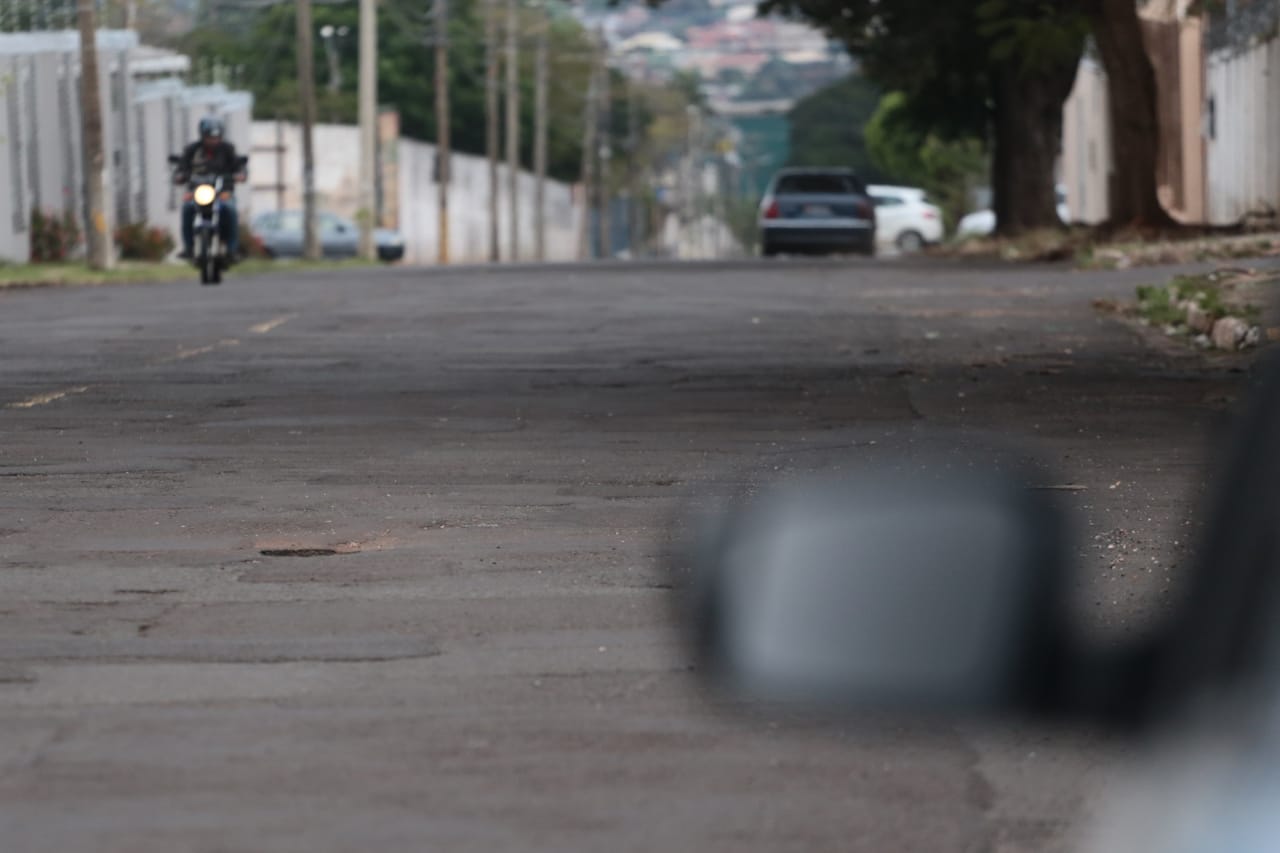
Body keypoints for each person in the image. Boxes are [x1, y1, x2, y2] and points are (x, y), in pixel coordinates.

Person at [174, 116, 245, 261]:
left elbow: (238, 166)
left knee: (230, 209)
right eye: (209, 137)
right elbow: (181, 167)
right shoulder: (192, 150)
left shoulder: (227, 149)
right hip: (197, 192)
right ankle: (189, 247)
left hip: (222, 192)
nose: (213, 140)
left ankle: (232, 249)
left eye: (216, 137)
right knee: (187, 208)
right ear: (202, 136)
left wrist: (240, 174)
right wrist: (180, 175)